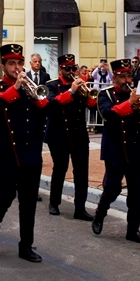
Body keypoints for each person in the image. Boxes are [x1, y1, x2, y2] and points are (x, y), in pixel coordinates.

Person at [0, 44, 49, 262]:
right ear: (3, 66)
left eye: (20, 63)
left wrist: (35, 95)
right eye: (12, 64)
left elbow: (47, 110)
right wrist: (15, 90)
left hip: (30, 154)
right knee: (3, 197)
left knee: (28, 203)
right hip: (5, 155)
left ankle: (25, 246)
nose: (17, 68)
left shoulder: (32, 87)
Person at [92, 59, 140, 244]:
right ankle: (99, 214)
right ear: (114, 77)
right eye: (123, 76)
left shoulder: (136, 94)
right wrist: (130, 103)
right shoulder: (105, 95)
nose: (127, 79)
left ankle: (133, 230)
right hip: (115, 150)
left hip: (135, 150)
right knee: (112, 189)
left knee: (135, 193)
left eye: (129, 76)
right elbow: (108, 115)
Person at [44, 54, 95, 220]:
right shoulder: (51, 85)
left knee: (81, 172)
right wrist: (72, 90)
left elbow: (92, 106)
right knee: (60, 169)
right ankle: (54, 203)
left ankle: (80, 208)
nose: (72, 71)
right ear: (60, 69)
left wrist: (88, 93)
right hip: (58, 134)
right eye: (68, 69)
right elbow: (51, 106)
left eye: (74, 68)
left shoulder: (81, 86)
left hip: (78, 134)